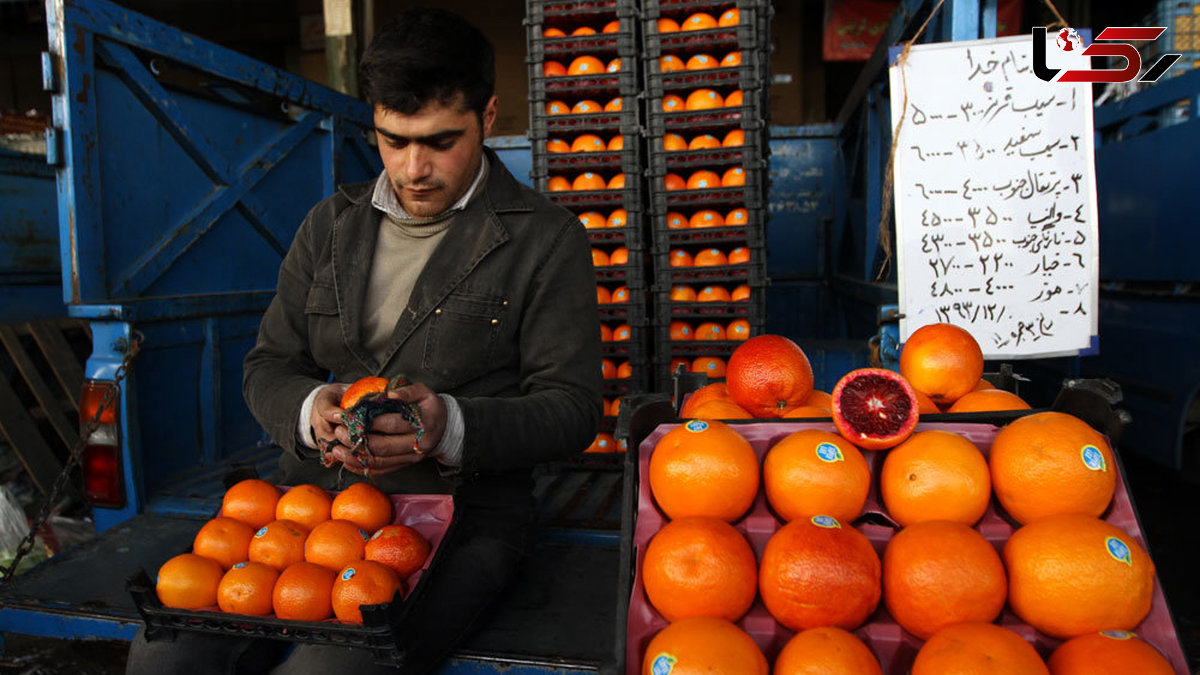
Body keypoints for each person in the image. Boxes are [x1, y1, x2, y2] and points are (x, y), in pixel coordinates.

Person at [125, 8, 601, 674]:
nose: (413, 168)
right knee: (163, 657)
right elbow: (269, 362)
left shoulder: (544, 239)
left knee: (329, 670)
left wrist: (452, 426)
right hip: (317, 503)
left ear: (488, 117)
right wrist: (308, 406)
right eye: (391, 139)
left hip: (464, 518)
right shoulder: (330, 226)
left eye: (441, 141)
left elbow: (574, 407)